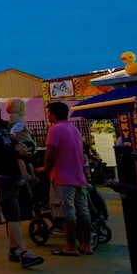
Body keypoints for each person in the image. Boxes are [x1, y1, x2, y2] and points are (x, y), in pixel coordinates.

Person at [0, 95, 44, 269]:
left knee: (18, 212)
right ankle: (22, 252)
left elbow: (16, 141)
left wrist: (24, 148)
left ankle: (13, 249)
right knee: (12, 213)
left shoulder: (4, 126)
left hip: (14, 174)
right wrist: (16, 152)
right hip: (3, 176)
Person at [44, 101, 92, 256]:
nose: (48, 115)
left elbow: (50, 154)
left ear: (54, 114)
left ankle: (70, 246)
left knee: (67, 213)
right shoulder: (74, 130)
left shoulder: (55, 130)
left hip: (62, 177)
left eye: (49, 112)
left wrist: (45, 169)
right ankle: (86, 244)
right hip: (79, 177)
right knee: (83, 212)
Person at [6, 99, 37, 185]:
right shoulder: (19, 116)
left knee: (19, 158)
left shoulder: (15, 116)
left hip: (24, 142)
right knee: (26, 161)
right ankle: (33, 176)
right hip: (28, 141)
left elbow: (19, 124)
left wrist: (12, 131)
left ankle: (25, 175)